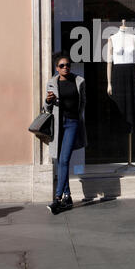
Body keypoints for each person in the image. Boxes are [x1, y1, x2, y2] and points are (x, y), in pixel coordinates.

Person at [44, 53, 87, 214]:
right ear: (57, 68)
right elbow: (47, 108)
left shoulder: (79, 81)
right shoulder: (51, 83)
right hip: (58, 125)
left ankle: (57, 199)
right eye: (62, 65)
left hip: (72, 124)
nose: (65, 68)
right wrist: (49, 100)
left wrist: (78, 117)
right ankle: (68, 196)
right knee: (61, 161)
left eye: (68, 65)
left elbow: (83, 102)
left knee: (63, 159)